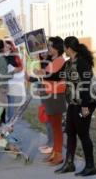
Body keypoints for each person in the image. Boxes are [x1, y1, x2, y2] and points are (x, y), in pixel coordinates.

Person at [55, 36, 96, 176]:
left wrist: (85, 106)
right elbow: (57, 76)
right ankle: (69, 163)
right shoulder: (68, 63)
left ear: (69, 48)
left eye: (64, 47)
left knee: (83, 135)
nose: (63, 50)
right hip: (73, 103)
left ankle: (90, 166)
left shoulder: (82, 62)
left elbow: (86, 84)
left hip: (84, 103)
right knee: (70, 133)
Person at [33, 36, 67, 166]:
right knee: (54, 126)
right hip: (49, 95)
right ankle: (55, 152)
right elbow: (44, 69)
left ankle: (58, 155)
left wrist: (40, 72)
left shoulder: (59, 60)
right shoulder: (52, 59)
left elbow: (51, 75)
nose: (48, 48)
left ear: (57, 48)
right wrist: (41, 59)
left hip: (56, 96)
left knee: (57, 127)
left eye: (50, 46)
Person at [0, 40, 20, 122]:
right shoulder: (0, 58)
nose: (8, 47)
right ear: (2, 48)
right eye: (6, 45)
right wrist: (14, 71)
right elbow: (2, 75)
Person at [4, 40, 26, 122]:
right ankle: (8, 120)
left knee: (10, 102)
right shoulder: (5, 56)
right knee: (8, 102)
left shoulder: (13, 56)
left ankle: (10, 120)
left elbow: (20, 68)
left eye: (7, 45)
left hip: (11, 82)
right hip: (6, 82)